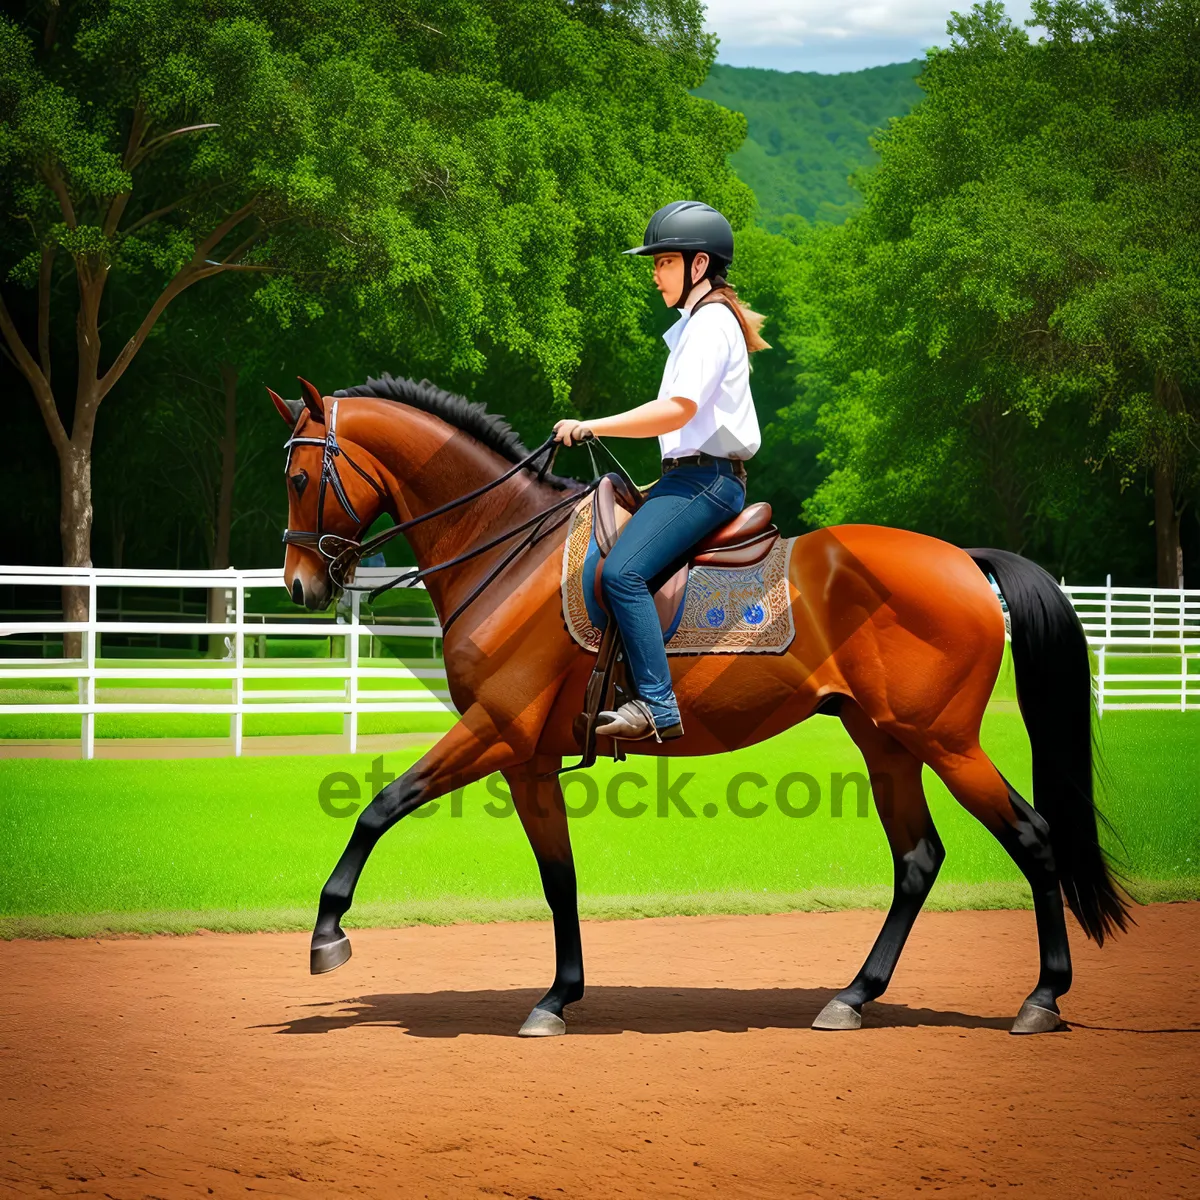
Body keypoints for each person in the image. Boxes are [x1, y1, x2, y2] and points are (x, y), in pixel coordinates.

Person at [553, 200, 770, 742]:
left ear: (698, 265)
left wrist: (593, 424)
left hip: (706, 481)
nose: (654, 275)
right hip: (685, 476)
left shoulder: (711, 324)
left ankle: (657, 705)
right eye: (654, 264)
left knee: (621, 573)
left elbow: (678, 410)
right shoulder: (697, 324)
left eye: (664, 262)